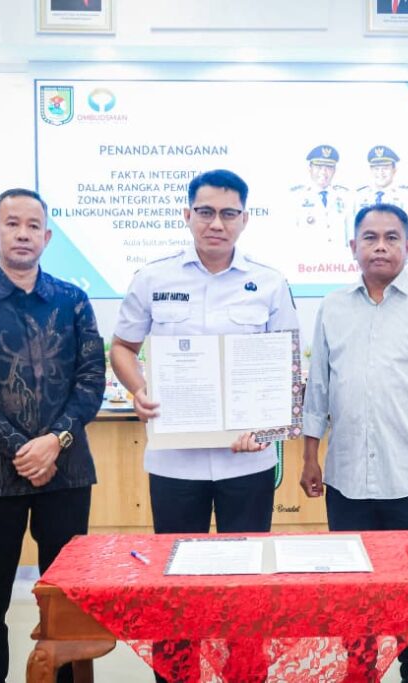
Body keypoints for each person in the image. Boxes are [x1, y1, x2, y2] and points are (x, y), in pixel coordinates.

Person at [0, 188, 106, 683]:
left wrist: (55, 441)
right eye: (12, 224)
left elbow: (91, 382)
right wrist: (21, 449)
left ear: (47, 237)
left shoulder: (73, 302)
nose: (23, 234)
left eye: (33, 225)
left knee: (66, 600)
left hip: (66, 473)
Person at [301, 203, 408, 683]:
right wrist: (310, 456)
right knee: (354, 587)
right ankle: (359, 668)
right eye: (370, 238)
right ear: (352, 246)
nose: (380, 246)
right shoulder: (333, 307)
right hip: (346, 476)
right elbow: (319, 388)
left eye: (391, 238)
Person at [110, 169, 299, 537]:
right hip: (174, 461)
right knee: (178, 561)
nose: (216, 223)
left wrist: (269, 429)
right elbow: (122, 347)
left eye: (229, 214)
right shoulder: (153, 278)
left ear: (244, 219)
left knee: (246, 561)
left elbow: (284, 370)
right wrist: (140, 390)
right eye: (205, 212)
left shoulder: (270, 283)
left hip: (247, 460)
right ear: (187, 215)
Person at [289, 144, 353, 251]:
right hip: (307, 259)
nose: (323, 172)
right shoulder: (296, 197)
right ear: (310, 168)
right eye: (318, 167)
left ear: (334, 170)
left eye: (328, 167)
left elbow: (351, 235)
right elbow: (290, 237)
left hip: (339, 259)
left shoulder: (345, 197)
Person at [356, 145, 408, 213]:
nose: (380, 173)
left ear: (394, 170)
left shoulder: (406, 196)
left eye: (385, 168)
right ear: (371, 170)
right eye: (376, 169)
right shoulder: (360, 196)